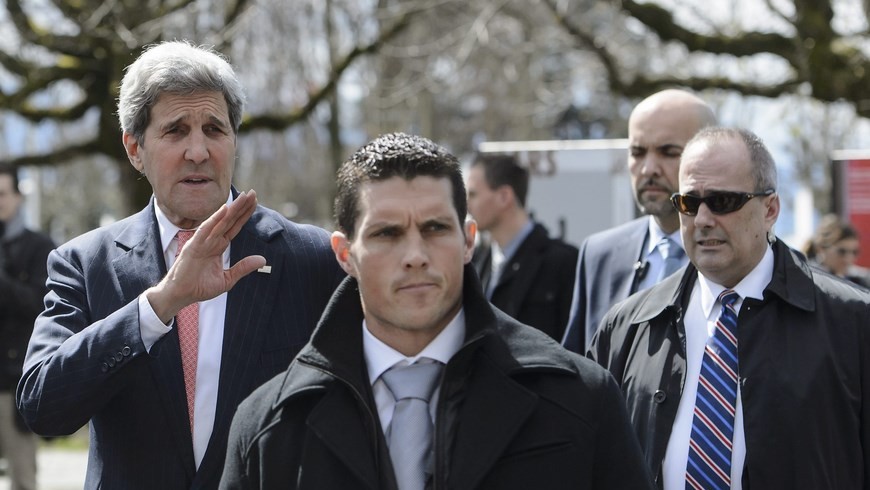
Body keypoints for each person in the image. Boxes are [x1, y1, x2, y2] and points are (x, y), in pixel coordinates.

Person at [219, 132, 654, 490]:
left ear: (468, 241)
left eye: (435, 228)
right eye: (387, 233)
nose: (415, 255)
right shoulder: (270, 426)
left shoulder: (579, 400)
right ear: (345, 254)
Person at [16, 41, 344, 490]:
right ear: (135, 149)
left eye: (214, 129)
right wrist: (158, 306)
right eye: (175, 131)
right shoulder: (84, 264)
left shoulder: (311, 257)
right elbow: (44, 406)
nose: (198, 151)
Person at [589, 127, 870, 489]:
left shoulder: (852, 322)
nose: (703, 219)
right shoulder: (628, 327)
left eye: (722, 202)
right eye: (689, 203)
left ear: (770, 209)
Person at [562, 89, 716, 354]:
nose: (648, 169)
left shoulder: (742, 256)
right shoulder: (599, 255)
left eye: (668, 152)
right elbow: (577, 369)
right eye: (637, 152)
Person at [466, 153, 578, 341]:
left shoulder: (564, 263)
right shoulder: (473, 262)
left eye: (473, 194)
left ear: (504, 197)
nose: (466, 205)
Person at [0, 164, 54, 490]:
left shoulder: (39, 247)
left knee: (22, 478)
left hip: (14, 383)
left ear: (19, 197)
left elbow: (41, 305)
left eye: (3, 193)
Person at [803, 213, 869, 288]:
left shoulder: (860, 279)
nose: (848, 258)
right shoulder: (807, 277)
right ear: (821, 249)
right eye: (842, 251)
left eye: (854, 252)